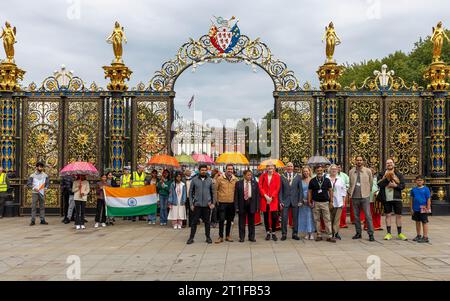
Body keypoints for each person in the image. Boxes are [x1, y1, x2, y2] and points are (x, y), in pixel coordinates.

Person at [378, 158, 406, 241]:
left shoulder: (399, 174)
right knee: (388, 215)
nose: (389, 164)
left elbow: (403, 186)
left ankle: (400, 233)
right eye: (387, 163)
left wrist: (395, 186)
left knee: (399, 215)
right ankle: (388, 233)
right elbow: (379, 184)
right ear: (385, 165)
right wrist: (387, 178)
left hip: (397, 198)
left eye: (390, 163)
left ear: (394, 164)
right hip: (386, 198)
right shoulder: (381, 174)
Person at [187, 164, 215, 244]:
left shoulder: (210, 180)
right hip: (197, 205)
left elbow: (213, 193)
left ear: (207, 170)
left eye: (205, 170)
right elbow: (190, 192)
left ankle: (208, 237)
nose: (204, 171)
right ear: (199, 170)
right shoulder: (194, 180)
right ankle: (191, 238)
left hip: (207, 205)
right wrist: (191, 204)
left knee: (207, 222)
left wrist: (213, 203)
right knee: (194, 222)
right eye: (202, 170)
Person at [348, 156, 375, 241]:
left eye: (360, 160)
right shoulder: (351, 171)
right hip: (354, 196)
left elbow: (371, 183)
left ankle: (371, 234)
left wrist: (367, 190)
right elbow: (350, 183)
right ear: (355, 161)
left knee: (368, 215)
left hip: (365, 196)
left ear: (363, 161)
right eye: (357, 160)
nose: (359, 161)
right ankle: (358, 233)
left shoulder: (368, 171)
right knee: (356, 216)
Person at [308, 165, 335, 243]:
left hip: (325, 203)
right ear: (315, 171)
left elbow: (330, 191)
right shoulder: (312, 180)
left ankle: (329, 236)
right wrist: (309, 201)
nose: (319, 172)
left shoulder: (327, 180)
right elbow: (310, 192)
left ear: (323, 171)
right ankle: (319, 235)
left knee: (327, 219)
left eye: (321, 170)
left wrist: (331, 201)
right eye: (318, 171)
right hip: (316, 202)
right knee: (317, 220)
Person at [214, 164, 239, 243]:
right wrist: (216, 200)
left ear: (233, 170)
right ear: (225, 170)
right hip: (222, 202)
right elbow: (215, 190)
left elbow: (237, 192)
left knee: (229, 220)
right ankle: (220, 236)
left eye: (231, 169)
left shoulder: (236, 179)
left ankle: (228, 236)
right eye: (228, 169)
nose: (230, 170)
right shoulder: (220, 178)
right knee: (221, 219)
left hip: (231, 203)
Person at [279, 162, 302, 241]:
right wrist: (281, 201)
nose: (289, 167)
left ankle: (295, 233)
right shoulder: (282, 176)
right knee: (284, 218)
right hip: (285, 201)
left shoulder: (298, 177)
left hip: (295, 201)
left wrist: (300, 200)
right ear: (286, 167)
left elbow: (300, 190)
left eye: (291, 166)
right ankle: (284, 234)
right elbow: (280, 190)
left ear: (293, 167)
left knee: (295, 218)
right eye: (288, 166)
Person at [234, 170, 260, 242]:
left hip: (251, 204)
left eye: (251, 175)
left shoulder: (255, 183)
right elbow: (236, 196)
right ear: (244, 175)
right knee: (241, 222)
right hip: (242, 204)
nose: (250, 176)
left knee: (251, 222)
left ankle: (251, 237)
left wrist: (257, 206)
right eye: (248, 175)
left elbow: (257, 196)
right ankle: (241, 237)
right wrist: (236, 206)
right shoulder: (238, 183)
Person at [259, 162, 281, 241]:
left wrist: (271, 197)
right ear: (266, 168)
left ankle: (274, 233)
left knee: (274, 217)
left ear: (274, 168)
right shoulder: (263, 176)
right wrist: (265, 196)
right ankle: (268, 232)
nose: (270, 168)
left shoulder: (277, 176)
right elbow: (260, 186)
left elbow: (278, 187)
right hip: (265, 199)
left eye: (271, 167)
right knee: (265, 217)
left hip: (273, 199)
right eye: (268, 167)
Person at [327, 164, 347, 240]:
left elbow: (343, 191)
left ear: (338, 170)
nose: (334, 170)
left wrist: (344, 201)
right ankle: (331, 233)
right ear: (330, 170)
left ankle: (336, 233)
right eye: (332, 169)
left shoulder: (340, 179)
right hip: (329, 202)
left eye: (335, 169)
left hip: (339, 202)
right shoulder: (326, 179)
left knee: (337, 219)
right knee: (330, 218)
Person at [410, 175, 432, 243]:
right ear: (415, 181)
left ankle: (425, 237)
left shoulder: (426, 189)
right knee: (417, 222)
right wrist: (411, 208)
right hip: (416, 208)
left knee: (424, 222)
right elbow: (411, 199)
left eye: (421, 180)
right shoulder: (413, 190)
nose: (419, 181)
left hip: (423, 208)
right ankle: (418, 235)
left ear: (423, 181)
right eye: (418, 180)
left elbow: (428, 198)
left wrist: (428, 206)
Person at [27, 162, 50, 226]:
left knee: (42, 206)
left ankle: (42, 220)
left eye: (42, 167)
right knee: (33, 207)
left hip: (42, 192)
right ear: (36, 167)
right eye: (39, 167)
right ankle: (33, 220)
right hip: (35, 192)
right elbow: (28, 184)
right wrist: (34, 188)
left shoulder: (45, 175)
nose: (41, 168)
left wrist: (46, 188)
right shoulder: (32, 175)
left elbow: (47, 183)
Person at [298, 166, 315, 240]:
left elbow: (314, 191)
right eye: (304, 171)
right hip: (303, 202)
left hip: (310, 201)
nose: (305, 172)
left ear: (309, 171)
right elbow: (299, 191)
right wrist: (302, 200)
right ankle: (306, 233)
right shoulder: (301, 181)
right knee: (304, 217)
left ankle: (311, 233)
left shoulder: (312, 180)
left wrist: (311, 200)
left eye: (307, 171)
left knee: (310, 217)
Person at [365, 166, 383, 231]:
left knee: (377, 211)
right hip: (368, 197)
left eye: (373, 170)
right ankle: (367, 226)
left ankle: (377, 225)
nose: (372, 172)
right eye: (370, 170)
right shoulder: (365, 178)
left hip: (376, 197)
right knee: (369, 213)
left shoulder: (377, 178)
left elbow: (380, 186)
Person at [336, 163, 349, 229]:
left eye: (339, 167)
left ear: (341, 168)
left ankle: (343, 223)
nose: (338, 169)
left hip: (343, 194)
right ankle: (336, 223)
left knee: (343, 209)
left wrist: (345, 187)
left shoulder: (344, 175)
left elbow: (348, 183)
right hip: (335, 194)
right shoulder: (331, 175)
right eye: (337, 167)